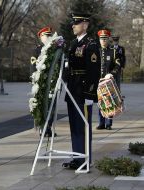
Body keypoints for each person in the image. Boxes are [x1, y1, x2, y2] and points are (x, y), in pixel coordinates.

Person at [63, 13, 100, 169]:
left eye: (76, 23)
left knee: (83, 126)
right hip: (72, 88)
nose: (73, 25)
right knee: (74, 126)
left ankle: (85, 160)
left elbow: (93, 72)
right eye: (73, 23)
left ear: (85, 25)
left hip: (83, 91)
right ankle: (77, 158)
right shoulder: (73, 43)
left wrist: (90, 94)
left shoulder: (90, 44)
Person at [96, 30, 121, 130]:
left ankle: (108, 123)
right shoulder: (96, 51)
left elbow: (118, 64)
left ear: (108, 39)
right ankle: (101, 122)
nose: (103, 41)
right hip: (99, 80)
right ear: (99, 39)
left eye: (105, 39)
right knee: (100, 101)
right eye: (102, 39)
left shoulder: (113, 51)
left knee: (109, 101)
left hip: (108, 80)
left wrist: (112, 73)